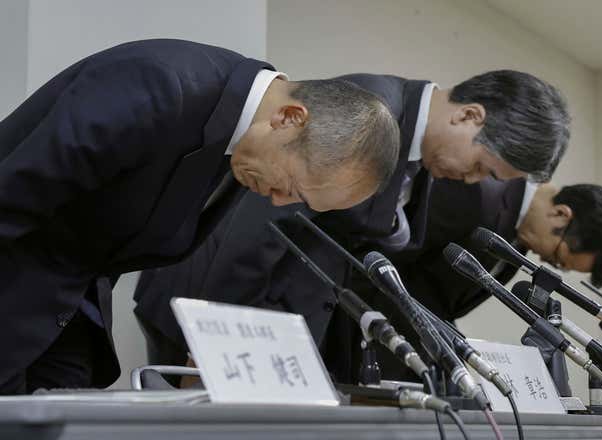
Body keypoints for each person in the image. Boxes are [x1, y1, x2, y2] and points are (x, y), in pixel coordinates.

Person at [0, 39, 402, 394]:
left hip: (64, 320)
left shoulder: (238, 142)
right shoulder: (158, 84)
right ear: (289, 119)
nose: (280, 202)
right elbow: (13, 196)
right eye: (293, 187)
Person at [134, 70, 572, 375]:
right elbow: (258, 225)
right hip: (210, 307)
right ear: (469, 116)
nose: (474, 181)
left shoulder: (422, 159)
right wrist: (215, 343)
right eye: (482, 167)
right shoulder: (368, 109)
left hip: (272, 326)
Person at [332, 178, 602, 383]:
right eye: (557, 256)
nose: (547, 262)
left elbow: (439, 302)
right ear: (561, 214)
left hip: (413, 360)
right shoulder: (476, 190)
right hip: (356, 334)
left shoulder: (519, 244)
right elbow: (388, 261)